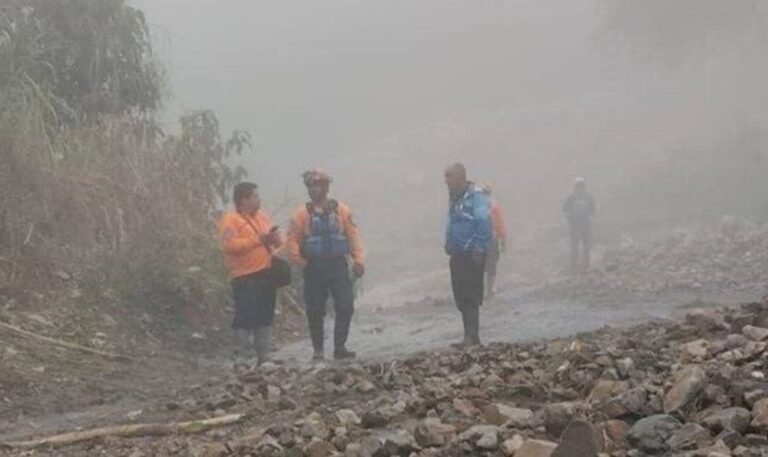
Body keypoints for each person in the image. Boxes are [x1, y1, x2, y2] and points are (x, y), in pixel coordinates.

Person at [287, 169, 364, 360]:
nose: (315, 190)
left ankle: (340, 347)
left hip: (338, 264)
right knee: (314, 309)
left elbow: (353, 235)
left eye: (319, 185)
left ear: (327, 187)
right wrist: (299, 260)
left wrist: (358, 260)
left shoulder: (341, 210)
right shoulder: (301, 214)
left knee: (345, 305)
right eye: (312, 186)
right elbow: (293, 239)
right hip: (313, 266)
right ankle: (318, 350)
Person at [218, 182, 282, 365]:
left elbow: (278, 242)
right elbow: (228, 245)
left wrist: (275, 239)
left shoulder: (263, 217)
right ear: (244, 199)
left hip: (266, 273)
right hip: (245, 275)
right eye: (255, 196)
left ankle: (264, 356)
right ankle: (240, 356)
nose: (259, 199)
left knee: (265, 314)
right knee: (245, 314)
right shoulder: (230, 220)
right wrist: (257, 239)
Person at [444, 163, 493, 347]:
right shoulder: (454, 197)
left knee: (471, 294)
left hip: (472, 252)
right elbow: (451, 221)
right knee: (460, 294)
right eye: (445, 176)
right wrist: (448, 242)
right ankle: (468, 335)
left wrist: (479, 247)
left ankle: (472, 336)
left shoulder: (476, 195)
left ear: (461, 176)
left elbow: (483, 221)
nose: (446, 180)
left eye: (449, 176)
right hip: (457, 252)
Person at [563, 177, 596, 273]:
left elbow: (593, 209)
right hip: (574, 225)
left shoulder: (588, 197)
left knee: (586, 245)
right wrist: (569, 216)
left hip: (585, 224)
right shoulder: (571, 198)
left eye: (581, 187)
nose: (580, 189)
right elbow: (565, 209)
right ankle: (574, 265)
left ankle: (586, 264)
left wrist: (589, 213)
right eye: (578, 187)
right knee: (574, 245)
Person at [480, 183, 507, 299]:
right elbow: (500, 225)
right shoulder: (494, 206)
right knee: (491, 266)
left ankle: (481, 290)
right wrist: (503, 241)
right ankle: (489, 290)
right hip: (491, 239)